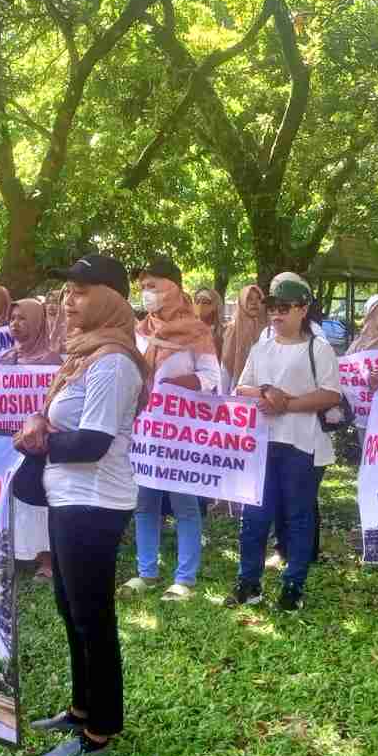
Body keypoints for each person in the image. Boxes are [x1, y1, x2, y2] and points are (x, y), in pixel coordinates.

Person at [16, 254, 148, 756]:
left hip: (94, 503)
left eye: (81, 291)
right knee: (71, 610)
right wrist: (39, 420)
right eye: (67, 291)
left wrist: (41, 439)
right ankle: (79, 707)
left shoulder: (114, 363)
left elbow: (93, 443)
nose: (68, 301)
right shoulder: (85, 357)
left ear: (111, 299)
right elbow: (58, 417)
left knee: (93, 616)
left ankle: (100, 731)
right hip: (67, 497)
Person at [227, 273, 342, 612]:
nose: (276, 315)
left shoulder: (317, 348)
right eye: (273, 309)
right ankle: (249, 582)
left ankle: (293, 585)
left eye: (284, 308)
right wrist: (265, 392)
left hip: (302, 444)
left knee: (298, 517)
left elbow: (330, 393)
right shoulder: (261, 348)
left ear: (303, 309)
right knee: (255, 517)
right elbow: (241, 388)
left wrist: (286, 403)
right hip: (263, 442)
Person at [125, 255, 222, 601]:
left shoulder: (197, 331)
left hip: (181, 432)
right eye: (143, 286)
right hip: (144, 431)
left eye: (153, 285)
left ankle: (185, 578)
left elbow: (214, 379)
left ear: (174, 288)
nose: (146, 292)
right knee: (145, 502)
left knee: (184, 504)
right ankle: (146, 573)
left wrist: (182, 383)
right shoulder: (140, 330)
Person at [0, 298, 63, 580]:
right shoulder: (3, 359)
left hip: (39, 443)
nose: (15, 324)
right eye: (12, 318)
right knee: (12, 496)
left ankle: (47, 559)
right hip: (8, 442)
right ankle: (17, 553)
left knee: (37, 497)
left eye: (23, 318)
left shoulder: (53, 361)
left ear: (38, 322)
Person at [220, 283, 265, 394]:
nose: (254, 303)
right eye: (249, 299)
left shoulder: (269, 327)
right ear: (242, 302)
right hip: (238, 387)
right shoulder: (233, 328)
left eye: (258, 298)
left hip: (265, 388)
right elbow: (227, 363)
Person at [193, 287, 225, 357]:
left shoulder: (223, 333)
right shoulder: (188, 331)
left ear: (215, 306)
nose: (200, 305)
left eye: (205, 302)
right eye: (197, 302)